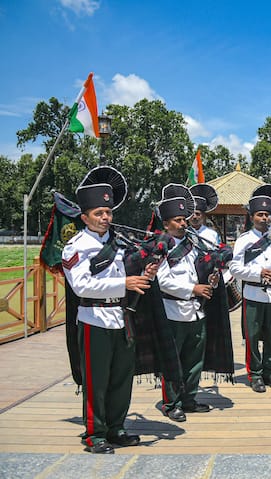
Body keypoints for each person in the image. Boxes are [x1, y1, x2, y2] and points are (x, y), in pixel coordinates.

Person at [62, 166, 157, 454]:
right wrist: (124, 283)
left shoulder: (118, 243)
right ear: (85, 217)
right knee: (96, 380)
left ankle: (116, 428)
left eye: (108, 212)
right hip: (93, 320)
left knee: (121, 378)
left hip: (121, 318)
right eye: (99, 213)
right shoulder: (75, 247)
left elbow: (126, 278)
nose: (105, 218)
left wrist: (145, 275)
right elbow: (81, 287)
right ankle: (94, 434)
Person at [156, 184, 213, 422]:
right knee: (173, 362)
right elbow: (162, 281)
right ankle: (172, 403)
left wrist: (210, 278)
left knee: (194, 361)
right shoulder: (161, 246)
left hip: (195, 311)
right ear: (166, 223)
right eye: (178, 220)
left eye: (184, 220)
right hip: (173, 311)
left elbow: (197, 270)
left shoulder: (192, 244)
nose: (183, 224)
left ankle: (189, 399)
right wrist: (193, 288)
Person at [229, 184, 271, 393]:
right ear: (252, 217)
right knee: (253, 337)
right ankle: (255, 374)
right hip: (253, 294)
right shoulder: (244, 240)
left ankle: (270, 372)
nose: (264, 218)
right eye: (260, 214)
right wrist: (258, 274)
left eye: (267, 214)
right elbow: (235, 268)